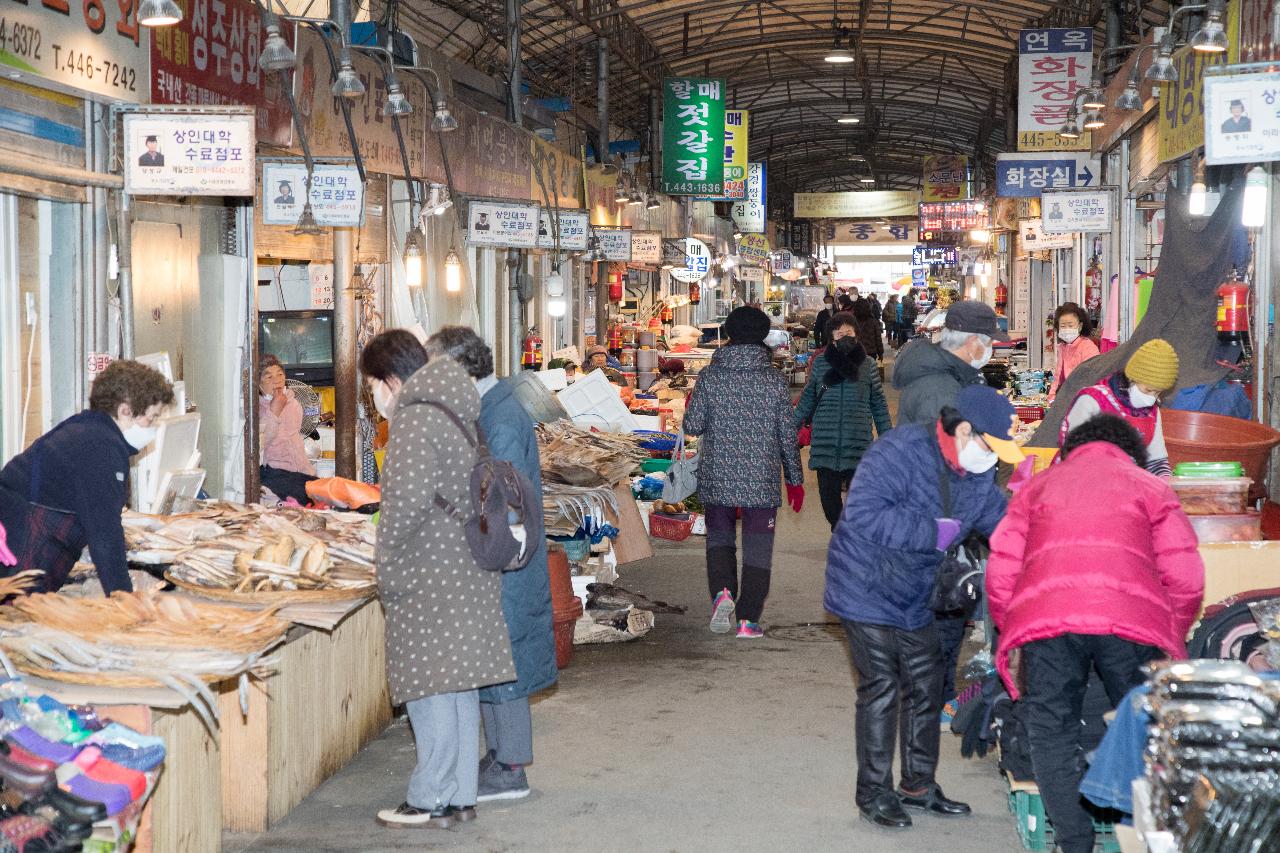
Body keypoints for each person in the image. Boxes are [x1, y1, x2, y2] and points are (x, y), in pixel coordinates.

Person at [987, 415, 1204, 853]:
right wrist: (1168, 637)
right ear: (1132, 453)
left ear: (1071, 450)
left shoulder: (1037, 488)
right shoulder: (1151, 488)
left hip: (1049, 620)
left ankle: (1073, 842)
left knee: (1050, 729)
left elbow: (1001, 570)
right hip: (1129, 622)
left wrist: (1013, 627)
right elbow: (1186, 578)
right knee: (1144, 726)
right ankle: (1139, 835)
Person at [825, 385, 1020, 829]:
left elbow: (1000, 522)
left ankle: (917, 784)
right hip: (865, 583)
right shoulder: (899, 451)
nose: (997, 459)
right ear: (965, 430)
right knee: (882, 687)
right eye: (992, 447)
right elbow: (863, 515)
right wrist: (935, 533)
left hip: (915, 590)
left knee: (927, 682)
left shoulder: (977, 472)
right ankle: (873, 793)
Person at [362, 329, 515, 830]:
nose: (374, 398)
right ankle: (458, 797)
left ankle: (428, 798)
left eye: (372, 386)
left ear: (389, 378)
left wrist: (385, 558)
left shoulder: (414, 417)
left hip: (428, 570)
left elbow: (403, 506)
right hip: (465, 564)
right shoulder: (456, 407)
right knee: (457, 686)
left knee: (428, 689)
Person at [426, 327, 556, 805]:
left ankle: (511, 767)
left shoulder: (499, 417)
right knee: (496, 657)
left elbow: (495, 501)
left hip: (502, 559)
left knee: (507, 657)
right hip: (497, 555)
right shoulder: (489, 407)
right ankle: (500, 753)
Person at [0, 360, 172, 594]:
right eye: (150, 419)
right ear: (125, 410)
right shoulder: (100, 446)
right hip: (21, 538)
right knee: (14, 616)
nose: (152, 428)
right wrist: (124, 598)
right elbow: (105, 534)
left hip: (22, 526)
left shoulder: (91, 430)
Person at [683, 306, 804, 639]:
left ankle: (723, 593)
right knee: (758, 547)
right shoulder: (774, 380)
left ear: (730, 334)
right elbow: (786, 434)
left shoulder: (710, 375)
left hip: (717, 473)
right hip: (761, 478)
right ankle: (749, 621)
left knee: (720, 539)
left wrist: (694, 401)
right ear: (763, 336)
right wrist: (795, 480)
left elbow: (692, 427)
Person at [794, 312, 892, 530]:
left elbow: (878, 403)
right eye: (840, 333)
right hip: (825, 444)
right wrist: (790, 426)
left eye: (849, 332)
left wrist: (888, 437)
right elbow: (808, 397)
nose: (845, 336)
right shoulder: (820, 363)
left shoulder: (867, 365)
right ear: (832, 337)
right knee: (830, 507)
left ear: (856, 334)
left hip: (857, 441)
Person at [1058, 338, 1178, 477]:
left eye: (1158, 392)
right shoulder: (1092, 401)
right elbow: (1075, 455)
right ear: (1132, 379)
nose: (1152, 398)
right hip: (1083, 481)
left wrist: (1164, 482)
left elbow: (1156, 462)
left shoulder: (1150, 412)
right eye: (1148, 390)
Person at [893, 300, 1006, 426]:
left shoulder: (947, 371)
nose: (990, 348)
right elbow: (951, 442)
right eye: (989, 342)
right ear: (973, 342)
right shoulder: (940, 391)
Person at [258, 355, 316, 505]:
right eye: (268, 376)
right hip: (276, 472)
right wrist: (274, 410)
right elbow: (262, 441)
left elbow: (295, 434)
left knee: (321, 496)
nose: (276, 380)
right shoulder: (257, 408)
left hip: (302, 470)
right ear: (258, 384)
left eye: (280, 374)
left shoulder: (294, 402)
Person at [1047, 302, 1100, 401]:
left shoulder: (1088, 348)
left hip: (1083, 401)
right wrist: (1051, 398)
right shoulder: (1063, 348)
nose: (1067, 329)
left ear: (1080, 326)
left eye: (1070, 325)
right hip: (1067, 400)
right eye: (1063, 326)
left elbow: (1091, 379)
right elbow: (1058, 377)